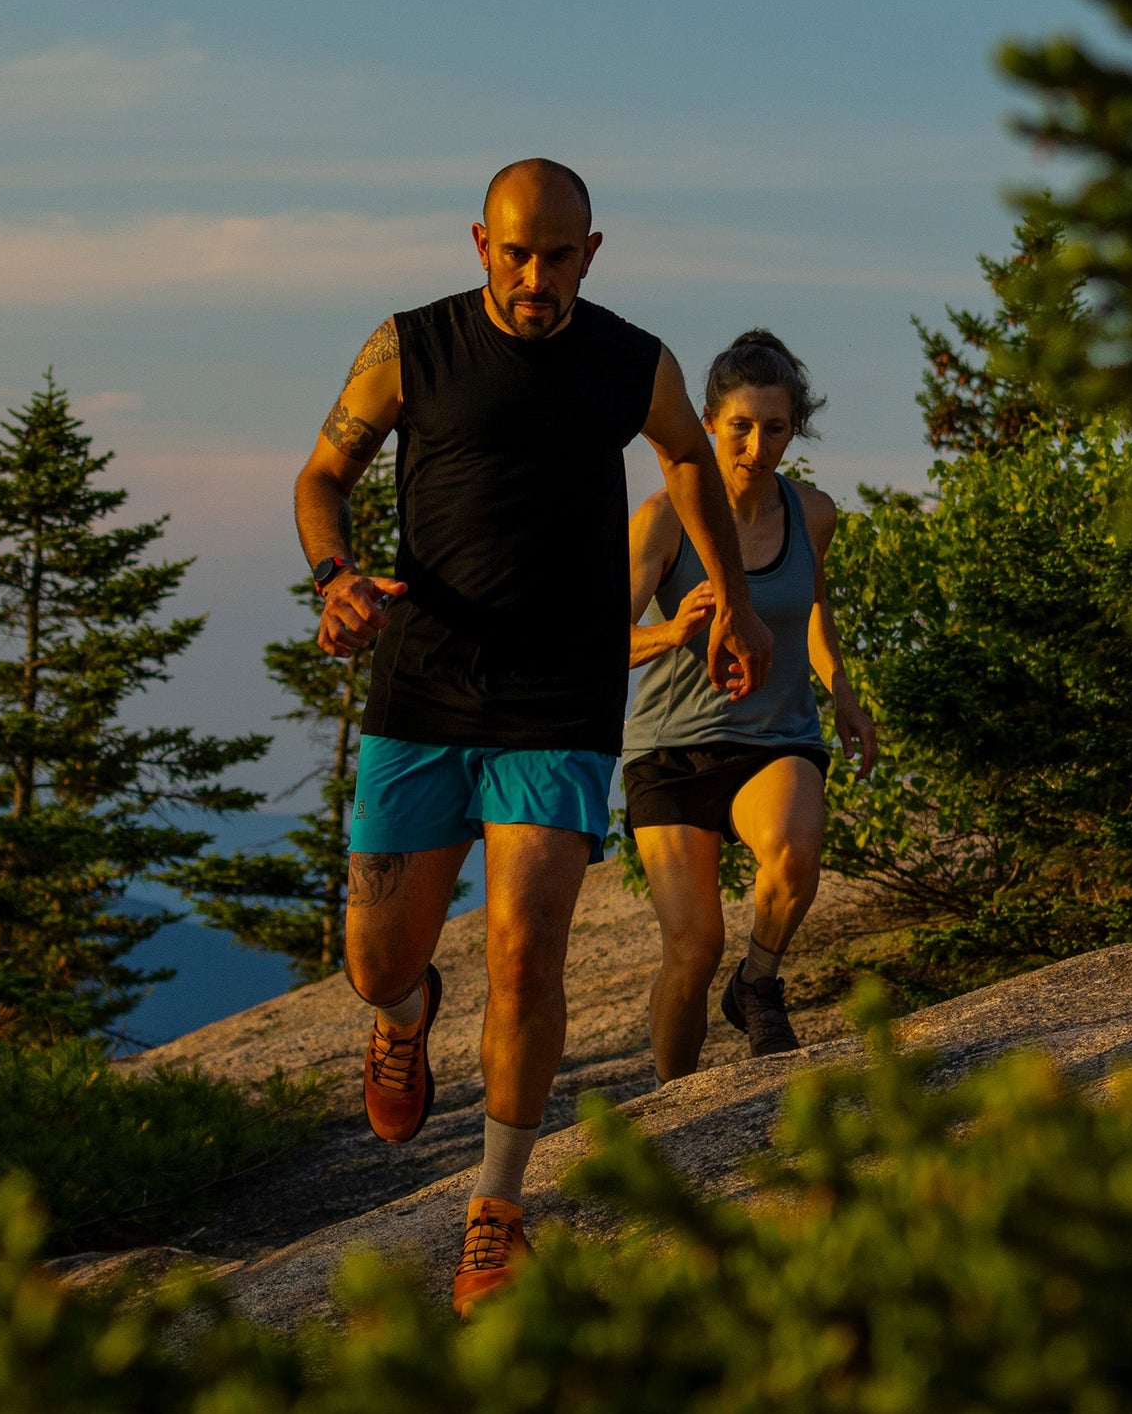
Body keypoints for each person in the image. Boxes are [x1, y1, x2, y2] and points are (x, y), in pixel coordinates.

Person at [292, 159, 773, 1314]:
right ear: (479, 243)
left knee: (525, 950)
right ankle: (407, 1015)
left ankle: (497, 1211)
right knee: (373, 958)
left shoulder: (630, 360)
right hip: (421, 687)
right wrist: (334, 575)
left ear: (589, 253)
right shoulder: (411, 346)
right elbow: (322, 472)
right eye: (514, 252)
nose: (534, 276)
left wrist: (736, 602)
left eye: (557, 255)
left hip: (559, 698)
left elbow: (687, 461)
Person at [620, 330, 878, 1082]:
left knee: (796, 847)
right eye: (740, 426)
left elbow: (812, 610)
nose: (757, 445)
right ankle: (677, 1109)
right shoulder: (664, 519)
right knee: (693, 948)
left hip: (775, 737)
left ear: (795, 429)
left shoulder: (815, 514)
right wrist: (676, 629)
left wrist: (844, 693)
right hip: (670, 750)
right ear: (708, 422)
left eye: (775, 428)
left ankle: (759, 981)